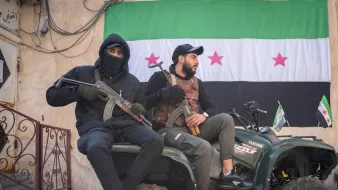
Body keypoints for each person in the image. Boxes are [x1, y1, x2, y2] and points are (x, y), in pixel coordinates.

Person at [46, 33, 164, 190]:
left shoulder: (132, 81)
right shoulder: (82, 73)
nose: (115, 55)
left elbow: (143, 110)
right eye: (112, 51)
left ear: (125, 57)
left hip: (127, 127)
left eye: (119, 53)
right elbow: (51, 96)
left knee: (155, 141)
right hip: (96, 127)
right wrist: (78, 91)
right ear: (103, 52)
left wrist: (140, 109)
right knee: (96, 146)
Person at [144, 44, 245, 190]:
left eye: (197, 58)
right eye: (193, 57)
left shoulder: (197, 83)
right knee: (204, 148)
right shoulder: (160, 77)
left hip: (192, 128)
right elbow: (143, 102)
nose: (197, 61)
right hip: (167, 131)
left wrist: (202, 116)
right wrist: (163, 94)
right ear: (180, 58)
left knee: (226, 119)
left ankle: (227, 174)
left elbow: (211, 107)